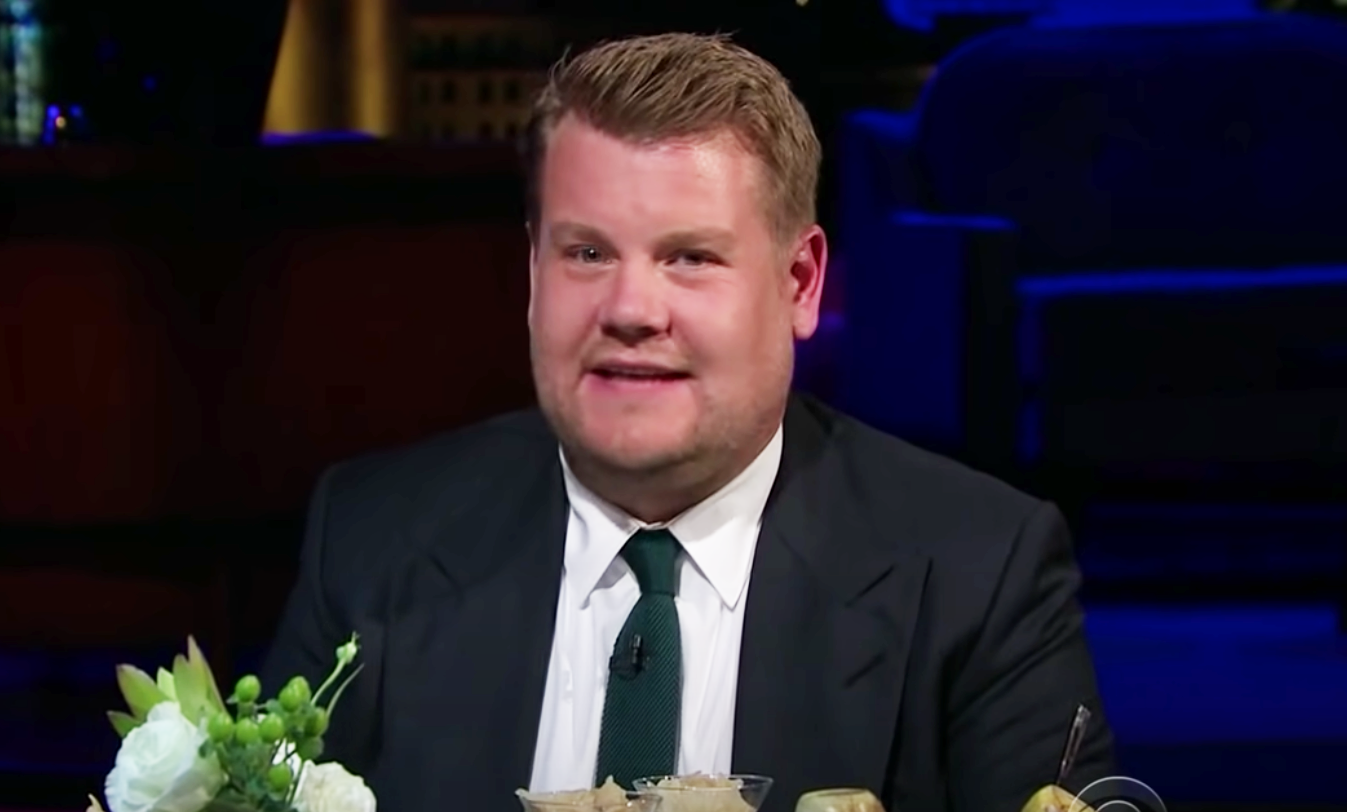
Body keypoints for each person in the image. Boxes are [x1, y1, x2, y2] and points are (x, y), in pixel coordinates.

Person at [260, 32, 1116, 812]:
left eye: (691, 258)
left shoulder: (980, 570)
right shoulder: (373, 539)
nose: (632, 309)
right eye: (587, 253)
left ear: (800, 284)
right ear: (533, 274)